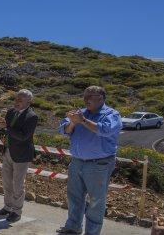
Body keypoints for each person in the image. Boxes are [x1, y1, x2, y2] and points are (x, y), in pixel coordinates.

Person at [56, 86, 121, 235]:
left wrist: (83, 120)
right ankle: (73, 227)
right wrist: (73, 122)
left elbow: (105, 130)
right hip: (77, 161)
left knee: (96, 201)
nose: (86, 100)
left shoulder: (111, 114)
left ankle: (92, 232)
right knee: (74, 196)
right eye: (85, 96)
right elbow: (63, 129)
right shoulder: (80, 113)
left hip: (99, 164)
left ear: (102, 98)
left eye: (90, 96)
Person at [0, 89, 38, 222]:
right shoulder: (11, 112)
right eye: (16, 99)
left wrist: (6, 126)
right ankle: (8, 207)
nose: (16, 102)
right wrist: (0, 125)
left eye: (20, 100)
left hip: (21, 155)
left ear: (28, 101)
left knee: (18, 184)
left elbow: (24, 136)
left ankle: (16, 211)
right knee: (7, 182)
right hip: (8, 151)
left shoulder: (32, 116)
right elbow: (6, 130)